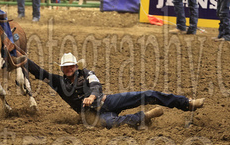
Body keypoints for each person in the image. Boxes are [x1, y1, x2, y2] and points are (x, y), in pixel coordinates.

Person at [24, 53, 205, 130]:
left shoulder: (86, 73)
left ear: (75, 66)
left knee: (147, 94)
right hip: (90, 116)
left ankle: (186, 103)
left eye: (70, 65)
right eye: (65, 67)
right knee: (114, 124)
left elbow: (96, 86)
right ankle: (145, 116)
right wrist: (22, 59)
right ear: (62, 69)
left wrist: (92, 96)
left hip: (105, 101)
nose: (68, 69)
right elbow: (40, 73)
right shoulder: (58, 82)